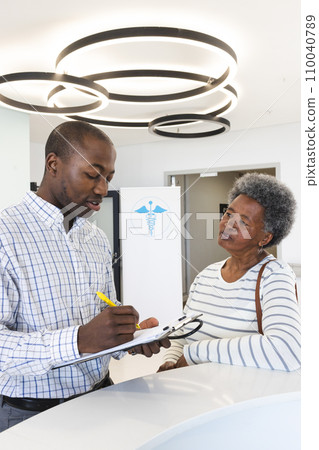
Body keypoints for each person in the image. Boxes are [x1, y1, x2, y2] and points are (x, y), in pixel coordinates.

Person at [0, 120, 170, 432]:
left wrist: (126, 334)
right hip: (31, 416)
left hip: (104, 395)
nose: (103, 189)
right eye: (92, 175)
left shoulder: (95, 237)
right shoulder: (5, 234)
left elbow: (104, 308)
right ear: (53, 164)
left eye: (108, 177)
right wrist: (79, 340)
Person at [158, 173, 300, 373]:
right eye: (228, 213)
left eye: (243, 222)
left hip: (239, 400)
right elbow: (182, 333)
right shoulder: (205, 276)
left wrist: (195, 353)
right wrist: (171, 363)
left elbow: (287, 352)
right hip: (193, 396)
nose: (229, 224)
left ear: (265, 238)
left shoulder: (275, 276)